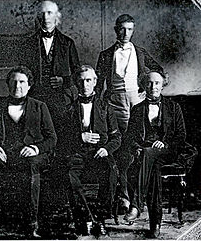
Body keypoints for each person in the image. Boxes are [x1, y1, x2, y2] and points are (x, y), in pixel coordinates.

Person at [96, 14, 164, 212]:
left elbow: (158, 71)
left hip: (135, 102)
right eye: (122, 29)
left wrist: (144, 88)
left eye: (129, 29)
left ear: (133, 30)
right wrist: (101, 106)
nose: (125, 33)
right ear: (116, 29)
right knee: (116, 148)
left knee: (132, 149)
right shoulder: (106, 54)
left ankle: (133, 198)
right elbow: (99, 84)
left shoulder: (140, 52)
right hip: (113, 103)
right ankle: (119, 198)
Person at [0, 66, 57, 238]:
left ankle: (32, 223)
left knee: (32, 165)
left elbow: (52, 138)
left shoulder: (40, 107)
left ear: (29, 85)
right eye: (14, 82)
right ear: (8, 84)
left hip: (34, 155)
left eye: (22, 82)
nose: (18, 86)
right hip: (6, 155)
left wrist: (35, 148)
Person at [123, 70, 186, 238]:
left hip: (167, 151)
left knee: (148, 155)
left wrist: (165, 143)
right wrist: (137, 148)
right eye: (149, 83)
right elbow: (129, 137)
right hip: (146, 154)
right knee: (153, 171)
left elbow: (181, 136)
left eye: (157, 83)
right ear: (144, 85)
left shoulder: (173, 107)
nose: (153, 86)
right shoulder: (137, 109)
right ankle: (155, 224)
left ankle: (136, 204)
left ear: (162, 85)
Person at [66, 65, 121, 237]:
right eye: (81, 81)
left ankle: (100, 217)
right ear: (76, 83)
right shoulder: (69, 109)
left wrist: (106, 149)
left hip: (99, 154)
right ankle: (86, 217)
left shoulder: (106, 107)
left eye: (88, 80)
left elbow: (117, 137)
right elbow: (61, 139)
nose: (85, 84)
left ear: (95, 82)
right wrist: (79, 138)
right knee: (68, 174)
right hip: (78, 154)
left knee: (111, 171)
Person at [21, 0, 80, 161]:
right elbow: (22, 71)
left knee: (60, 135)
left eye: (49, 13)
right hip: (35, 97)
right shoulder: (28, 44)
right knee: (37, 135)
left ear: (57, 17)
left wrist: (65, 81)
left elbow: (78, 73)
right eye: (42, 13)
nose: (46, 17)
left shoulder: (67, 43)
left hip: (59, 99)